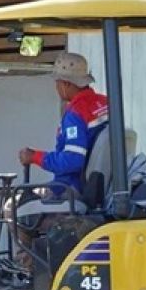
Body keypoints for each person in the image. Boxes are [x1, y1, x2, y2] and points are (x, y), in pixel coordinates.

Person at [17, 52, 109, 196]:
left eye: (57, 83)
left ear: (66, 84)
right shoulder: (106, 103)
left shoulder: (75, 114)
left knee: (13, 206)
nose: (57, 88)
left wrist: (35, 156)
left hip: (73, 187)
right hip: (104, 186)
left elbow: (73, 160)